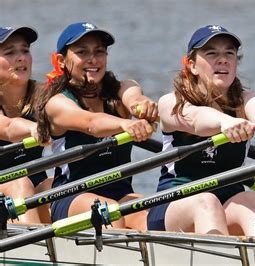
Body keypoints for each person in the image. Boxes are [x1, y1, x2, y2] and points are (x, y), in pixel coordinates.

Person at [147, 24, 255, 236]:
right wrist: (224, 122)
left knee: (254, 199)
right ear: (192, 65)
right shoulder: (171, 102)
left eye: (229, 53)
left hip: (229, 199)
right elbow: (197, 120)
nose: (223, 59)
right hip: (174, 203)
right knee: (207, 202)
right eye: (212, 53)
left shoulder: (247, 100)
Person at [33, 22, 157, 230]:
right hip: (70, 196)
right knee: (108, 211)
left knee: (150, 216)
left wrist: (143, 108)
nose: (93, 59)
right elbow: (91, 123)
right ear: (62, 61)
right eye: (82, 52)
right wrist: (125, 124)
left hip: (120, 192)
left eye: (99, 52)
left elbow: (134, 98)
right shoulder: (57, 103)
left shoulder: (123, 88)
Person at [0, 26, 52, 224]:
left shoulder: (45, 95)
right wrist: (32, 128)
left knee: (54, 185)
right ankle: (36, 249)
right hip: (11, 188)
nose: (21, 57)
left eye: (25, 50)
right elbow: (8, 128)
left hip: (33, 190)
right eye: (10, 52)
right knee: (19, 184)